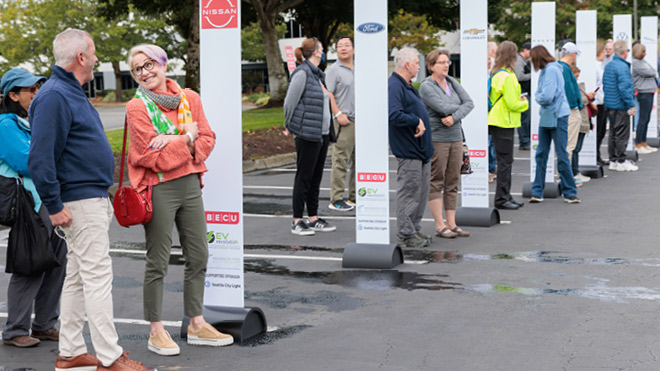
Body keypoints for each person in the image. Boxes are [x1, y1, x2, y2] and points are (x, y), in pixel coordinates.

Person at [28, 28, 155, 371]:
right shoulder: (55, 96)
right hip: (78, 202)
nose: (97, 58)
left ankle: (70, 353)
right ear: (81, 57)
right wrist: (54, 206)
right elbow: (39, 159)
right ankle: (111, 357)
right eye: (94, 52)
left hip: (85, 199)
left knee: (78, 278)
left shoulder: (68, 92)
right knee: (97, 277)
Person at [125, 44, 233, 356]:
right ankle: (155, 330)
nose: (145, 72)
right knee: (157, 261)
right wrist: (187, 138)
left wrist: (175, 141)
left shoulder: (190, 98)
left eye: (149, 65)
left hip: (190, 185)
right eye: (137, 69)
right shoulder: (137, 107)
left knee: (198, 255)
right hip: (158, 188)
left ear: (163, 63)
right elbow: (148, 156)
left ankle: (196, 324)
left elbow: (208, 138)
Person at [0, 69, 66, 348]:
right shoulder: (5, 125)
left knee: (57, 263)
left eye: (39, 87)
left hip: (50, 200)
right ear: (13, 95)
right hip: (29, 204)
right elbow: (28, 163)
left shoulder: (32, 121)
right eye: (30, 90)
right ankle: (15, 330)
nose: (37, 93)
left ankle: (44, 325)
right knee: (31, 265)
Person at [284, 37, 336, 236]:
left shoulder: (317, 75)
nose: (323, 52)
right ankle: (297, 220)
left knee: (316, 177)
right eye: (321, 49)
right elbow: (290, 102)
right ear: (315, 52)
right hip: (306, 132)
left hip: (321, 133)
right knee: (304, 177)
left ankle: (313, 217)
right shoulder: (302, 73)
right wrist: (289, 125)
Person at [420, 49, 474, 239]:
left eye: (447, 61)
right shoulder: (427, 86)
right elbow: (442, 107)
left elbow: (470, 103)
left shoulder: (452, 82)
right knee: (437, 181)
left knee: (453, 181)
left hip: (456, 136)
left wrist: (455, 116)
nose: (446, 65)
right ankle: (439, 224)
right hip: (438, 138)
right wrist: (459, 110)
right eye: (442, 62)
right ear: (431, 66)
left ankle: (452, 223)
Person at [389, 47, 434, 248]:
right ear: (407, 65)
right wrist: (415, 119)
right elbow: (393, 114)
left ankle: (413, 229)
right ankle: (406, 234)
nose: (418, 66)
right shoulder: (394, 86)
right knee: (409, 192)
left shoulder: (407, 85)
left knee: (420, 193)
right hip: (409, 150)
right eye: (417, 62)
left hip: (421, 151)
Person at [528, 45, 580, 204]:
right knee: (555, 154)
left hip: (553, 115)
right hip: (556, 114)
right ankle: (568, 192)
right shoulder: (551, 69)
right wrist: (540, 96)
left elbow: (546, 96)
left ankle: (544, 191)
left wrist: (537, 97)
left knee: (548, 154)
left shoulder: (550, 70)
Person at [488, 41, 528, 210]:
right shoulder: (507, 76)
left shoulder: (497, 73)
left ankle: (505, 195)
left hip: (498, 121)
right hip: (504, 122)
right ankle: (502, 198)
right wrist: (524, 103)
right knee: (505, 162)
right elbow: (512, 103)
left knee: (505, 161)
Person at [327, 36, 356, 211]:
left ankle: (354, 197)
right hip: (344, 121)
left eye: (346, 45)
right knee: (340, 161)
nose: (343, 48)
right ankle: (336, 199)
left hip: (360, 121)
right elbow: (328, 93)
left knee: (359, 161)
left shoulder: (359, 69)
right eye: (339, 46)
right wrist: (338, 114)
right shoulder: (333, 70)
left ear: (353, 48)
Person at [603, 39, 638, 172]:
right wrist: (631, 104)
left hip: (610, 104)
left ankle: (613, 160)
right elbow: (625, 88)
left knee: (613, 133)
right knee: (622, 134)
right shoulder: (622, 67)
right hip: (620, 104)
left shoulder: (609, 65)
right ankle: (621, 160)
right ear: (624, 52)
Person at [557, 42, 585, 186]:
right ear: (573, 54)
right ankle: (564, 177)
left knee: (563, 145)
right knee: (568, 146)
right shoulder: (566, 69)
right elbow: (570, 91)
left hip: (562, 110)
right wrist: (577, 105)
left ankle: (562, 175)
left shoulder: (557, 67)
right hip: (570, 110)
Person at [632, 43, 658, 154]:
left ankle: (643, 142)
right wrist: (653, 73)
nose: (645, 53)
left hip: (649, 91)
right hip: (643, 92)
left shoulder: (643, 62)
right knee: (642, 119)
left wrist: (653, 72)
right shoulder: (636, 63)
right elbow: (651, 72)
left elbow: (653, 70)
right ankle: (638, 144)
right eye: (643, 51)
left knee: (646, 118)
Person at [572, 65, 594, 184]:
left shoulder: (577, 86)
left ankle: (575, 172)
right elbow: (578, 100)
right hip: (578, 120)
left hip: (582, 119)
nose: (576, 78)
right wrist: (587, 97)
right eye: (575, 76)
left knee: (576, 148)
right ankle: (574, 172)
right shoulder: (572, 87)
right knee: (575, 148)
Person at [515, 42, 532, 150]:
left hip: (525, 92)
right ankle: (524, 141)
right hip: (522, 92)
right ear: (525, 50)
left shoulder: (524, 61)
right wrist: (533, 75)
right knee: (524, 118)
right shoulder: (519, 61)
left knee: (526, 118)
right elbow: (519, 76)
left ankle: (525, 140)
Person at [595, 43, 609, 166]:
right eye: (603, 51)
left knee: (602, 131)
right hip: (597, 103)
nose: (606, 54)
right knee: (598, 131)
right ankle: (595, 155)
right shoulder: (595, 67)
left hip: (602, 102)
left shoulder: (601, 66)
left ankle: (597, 154)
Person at [487, 41, 498, 183]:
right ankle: (489, 169)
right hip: (486, 113)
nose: (489, 62)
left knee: (492, 143)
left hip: (492, 113)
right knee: (488, 143)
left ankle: (492, 169)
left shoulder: (493, 74)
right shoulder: (481, 77)